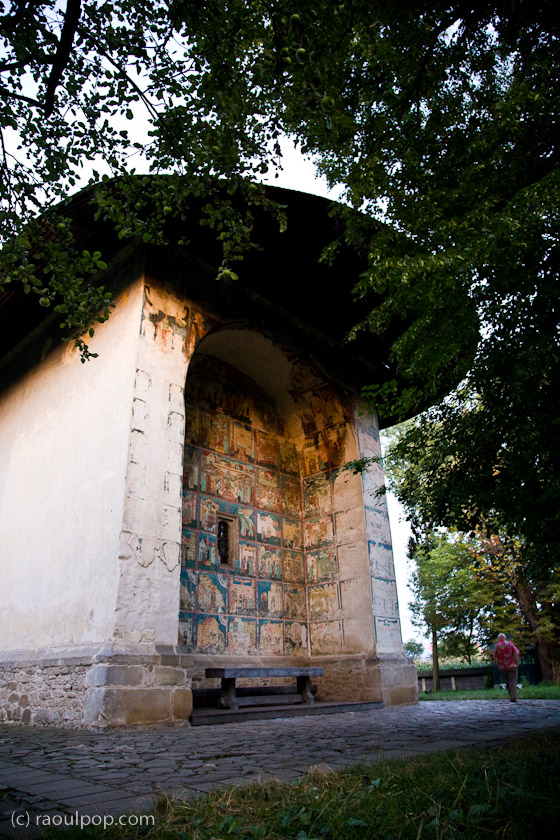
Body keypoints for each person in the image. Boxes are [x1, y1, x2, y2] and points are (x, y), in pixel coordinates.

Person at [493, 633, 520, 702]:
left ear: (499, 639)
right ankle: (513, 696)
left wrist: (498, 665)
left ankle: (510, 695)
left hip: (503, 667)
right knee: (513, 681)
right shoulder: (510, 644)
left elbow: (496, 657)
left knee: (507, 681)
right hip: (512, 665)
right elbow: (516, 652)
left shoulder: (497, 646)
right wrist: (516, 662)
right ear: (505, 638)